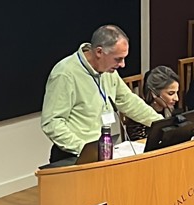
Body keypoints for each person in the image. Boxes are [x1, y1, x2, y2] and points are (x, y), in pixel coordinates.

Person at [41, 24, 163, 163]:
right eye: (118, 59)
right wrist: (85, 150)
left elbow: (128, 101)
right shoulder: (65, 74)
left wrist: (162, 125)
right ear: (99, 52)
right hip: (74, 155)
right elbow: (52, 122)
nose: (122, 65)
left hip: (102, 151)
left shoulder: (108, 71)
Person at [125, 66, 181, 140]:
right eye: (171, 93)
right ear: (154, 93)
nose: (176, 99)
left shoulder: (171, 109)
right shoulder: (137, 117)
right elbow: (139, 144)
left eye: (176, 93)